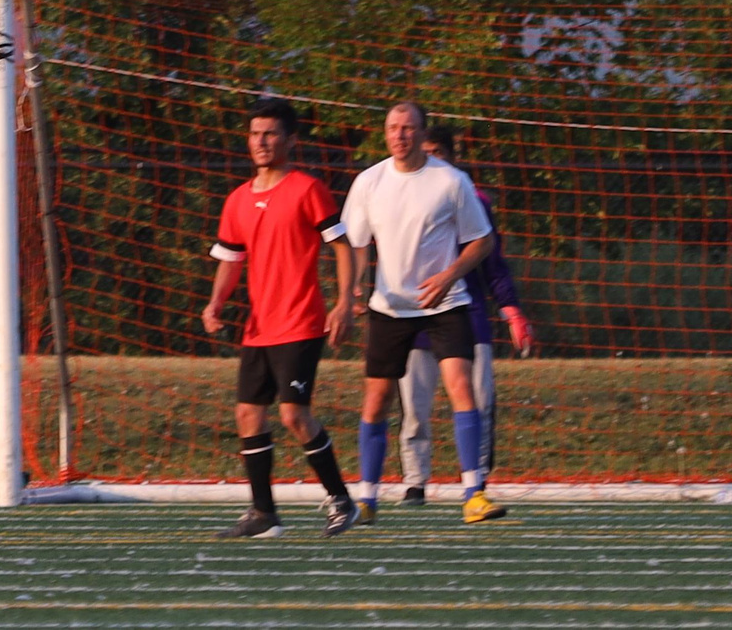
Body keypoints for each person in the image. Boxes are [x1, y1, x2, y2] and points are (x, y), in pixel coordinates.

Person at [200, 96, 362, 540]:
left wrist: (345, 301)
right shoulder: (236, 199)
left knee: (293, 415)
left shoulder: (308, 190)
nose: (261, 141)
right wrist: (215, 303)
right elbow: (230, 259)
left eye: (270, 134)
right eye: (255, 133)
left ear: (290, 139)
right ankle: (263, 513)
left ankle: (341, 500)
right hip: (258, 327)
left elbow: (342, 246)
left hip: (300, 322)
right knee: (248, 415)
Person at [338, 100, 505, 526]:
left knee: (460, 388)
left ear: (421, 133)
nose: (400, 135)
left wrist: (450, 276)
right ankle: (368, 499)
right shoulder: (369, 181)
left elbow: (481, 241)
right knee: (376, 401)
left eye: (408, 128)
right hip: (389, 309)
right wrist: (354, 286)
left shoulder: (450, 181)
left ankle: (474, 495)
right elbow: (356, 242)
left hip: (445, 304)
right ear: (385, 132)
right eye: (393, 127)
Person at [397, 123, 535, 507]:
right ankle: (414, 481)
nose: (431, 161)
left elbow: (493, 263)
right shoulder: (398, 197)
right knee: (414, 407)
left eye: (438, 153)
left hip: (467, 315)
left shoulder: (472, 199)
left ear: (451, 158)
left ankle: (475, 480)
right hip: (415, 316)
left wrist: (511, 310)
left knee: (478, 400)